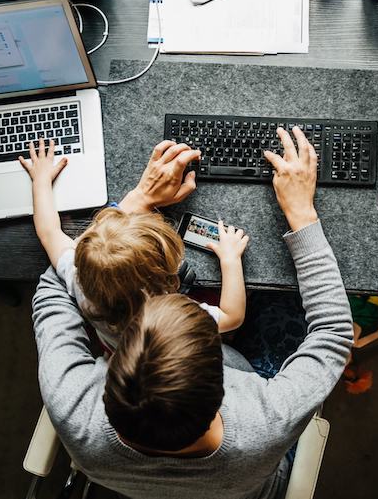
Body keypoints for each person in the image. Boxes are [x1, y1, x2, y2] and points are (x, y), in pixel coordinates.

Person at [30, 126, 354, 498]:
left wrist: (133, 206)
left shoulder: (71, 407)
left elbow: (56, 282)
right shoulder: (265, 421)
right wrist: (301, 213)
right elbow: (332, 333)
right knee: (284, 306)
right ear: (223, 387)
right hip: (254, 484)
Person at [19, 139, 249, 351]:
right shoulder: (173, 316)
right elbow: (232, 316)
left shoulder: (79, 278)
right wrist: (230, 260)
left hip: (118, 346)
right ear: (169, 279)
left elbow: (49, 232)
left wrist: (40, 181)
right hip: (167, 346)